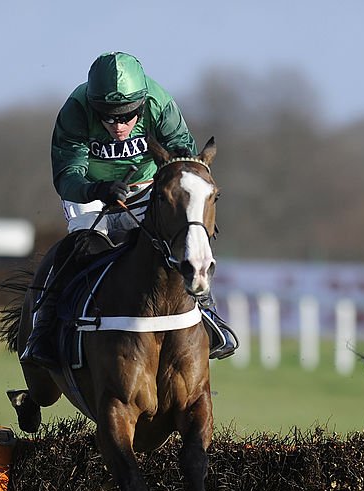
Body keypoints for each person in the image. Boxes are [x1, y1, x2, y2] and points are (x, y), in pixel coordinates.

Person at [21, 51, 237, 370]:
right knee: (82, 246)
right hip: (92, 192)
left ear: (141, 104)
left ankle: (206, 311)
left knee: (182, 234)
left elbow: (185, 158)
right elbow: (68, 177)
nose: (118, 125)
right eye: (108, 117)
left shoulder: (159, 103)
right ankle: (45, 330)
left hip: (147, 186)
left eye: (126, 116)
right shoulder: (76, 110)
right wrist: (97, 189)